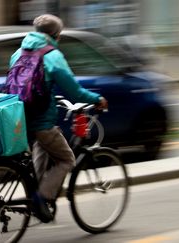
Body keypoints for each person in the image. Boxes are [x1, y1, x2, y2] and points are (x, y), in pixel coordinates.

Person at [9, 14, 108, 223]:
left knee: (41, 153)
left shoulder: (19, 52)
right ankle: (40, 199)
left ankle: (34, 192)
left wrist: (50, 93)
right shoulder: (52, 55)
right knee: (66, 159)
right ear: (57, 35)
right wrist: (97, 99)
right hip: (42, 122)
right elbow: (75, 91)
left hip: (19, 118)